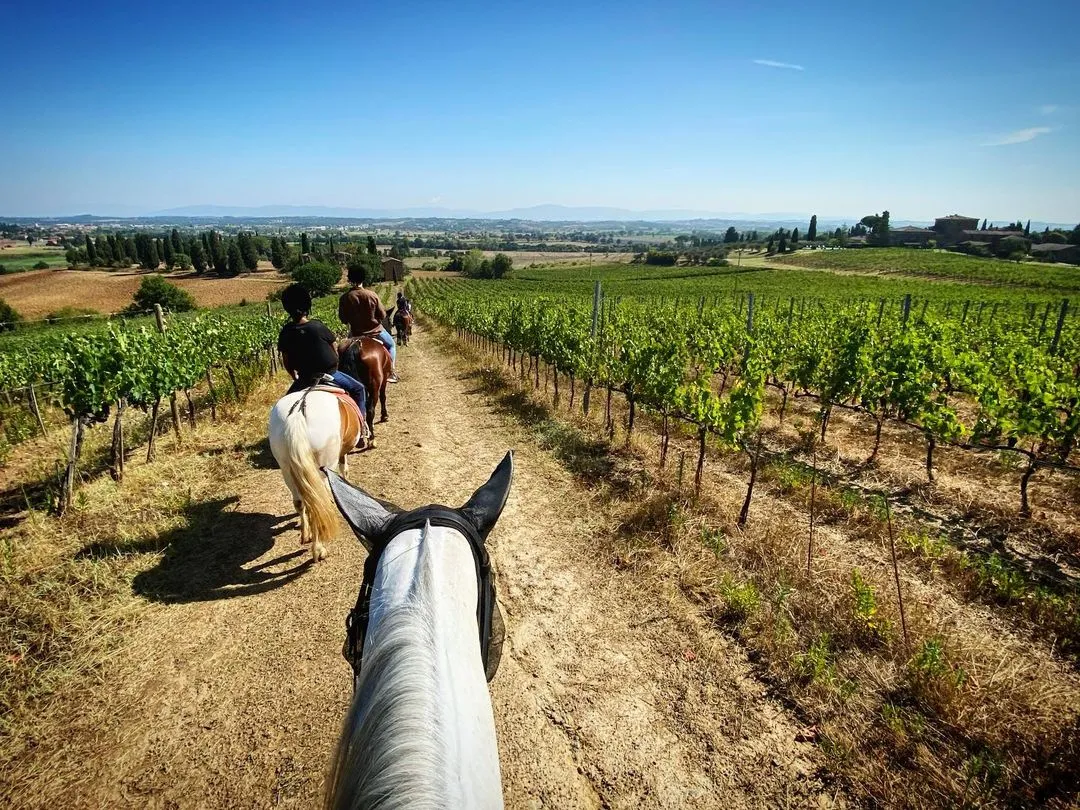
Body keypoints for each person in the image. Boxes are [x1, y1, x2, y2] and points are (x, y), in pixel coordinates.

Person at [277, 283, 369, 425]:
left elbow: (287, 361)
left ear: (287, 308)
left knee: (284, 408)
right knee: (359, 389)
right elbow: (334, 349)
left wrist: (294, 377)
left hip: (304, 378)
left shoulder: (286, 332)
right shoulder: (318, 326)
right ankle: (363, 427)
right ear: (307, 306)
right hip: (330, 374)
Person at [338, 267, 399, 382]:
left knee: (342, 352)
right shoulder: (372, 295)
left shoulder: (344, 298)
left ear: (350, 279)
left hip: (355, 333)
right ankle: (391, 372)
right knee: (391, 345)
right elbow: (382, 315)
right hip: (375, 331)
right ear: (363, 279)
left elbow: (343, 319)